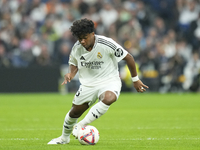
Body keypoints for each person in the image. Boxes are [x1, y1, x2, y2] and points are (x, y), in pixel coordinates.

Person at [48, 18, 149, 144]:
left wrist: (135, 80)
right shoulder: (77, 47)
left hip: (109, 80)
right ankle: (64, 138)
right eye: (80, 38)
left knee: (109, 98)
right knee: (74, 113)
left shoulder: (106, 43)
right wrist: (71, 74)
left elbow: (128, 58)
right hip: (88, 84)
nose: (82, 41)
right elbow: (74, 63)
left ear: (92, 34)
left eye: (85, 37)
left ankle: (81, 125)